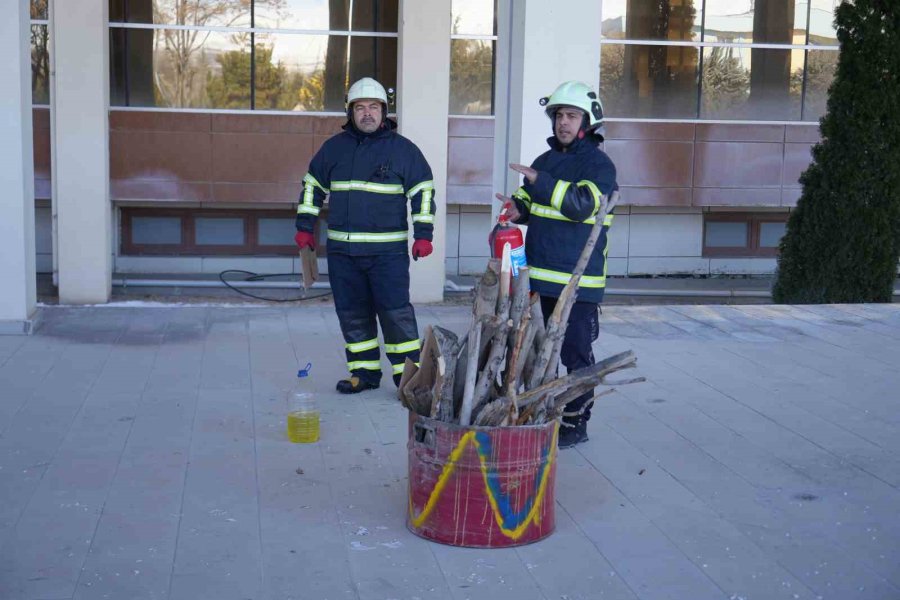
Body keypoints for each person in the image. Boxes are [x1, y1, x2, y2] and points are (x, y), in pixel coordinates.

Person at [294, 77, 436, 394]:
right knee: (353, 315)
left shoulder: (404, 151)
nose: (367, 114)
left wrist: (423, 234)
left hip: (388, 256)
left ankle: (408, 378)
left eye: (373, 107)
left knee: (396, 315)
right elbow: (311, 188)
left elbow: (423, 193)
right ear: (351, 112)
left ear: (384, 112)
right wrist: (304, 227)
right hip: (344, 256)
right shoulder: (334, 149)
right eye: (360, 108)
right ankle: (364, 373)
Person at [496, 80, 617, 448]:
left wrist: (539, 181)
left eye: (571, 115)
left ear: (587, 121)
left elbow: (580, 205)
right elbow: (530, 199)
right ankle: (533, 414)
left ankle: (575, 423)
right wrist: (519, 208)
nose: (563, 122)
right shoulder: (544, 162)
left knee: (575, 355)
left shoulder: (599, 165)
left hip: (577, 285)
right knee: (532, 351)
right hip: (538, 280)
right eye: (559, 115)